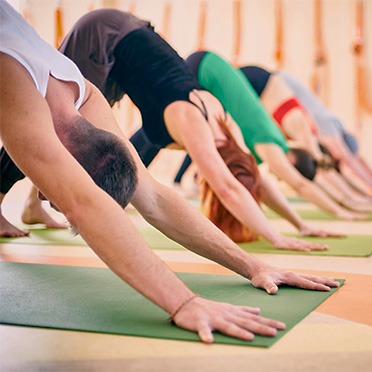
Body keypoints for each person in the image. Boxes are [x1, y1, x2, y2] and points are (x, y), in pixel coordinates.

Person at [0, 1, 340, 344]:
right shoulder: (13, 78)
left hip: (120, 37)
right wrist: (184, 303)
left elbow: (154, 197)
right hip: (107, 35)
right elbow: (83, 206)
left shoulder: (84, 92)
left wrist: (253, 266)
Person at [59, 8, 342, 250]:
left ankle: (36, 205)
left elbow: (254, 181)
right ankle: (41, 196)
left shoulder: (228, 132)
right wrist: (277, 238)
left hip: (128, 50)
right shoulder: (196, 123)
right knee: (65, 120)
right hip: (105, 32)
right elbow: (228, 187)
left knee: (86, 128)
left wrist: (301, 224)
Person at [184, 50, 368, 220]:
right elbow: (300, 184)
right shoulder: (280, 139)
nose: (279, 177)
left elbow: (315, 175)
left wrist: (351, 200)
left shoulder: (285, 143)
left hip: (221, 73)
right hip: (238, 75)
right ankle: (183, 180)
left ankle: (189, 178)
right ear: (290, 162)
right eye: (283, 173)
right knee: (194, 131)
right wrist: (342, 210)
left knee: (210, 132)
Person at [238, 65, 372, 212]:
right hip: (261, 81)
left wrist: (356, 198)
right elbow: (335, 164)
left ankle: (352, 199)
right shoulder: (311, 131)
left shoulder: (308, 133)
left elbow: (335, 167)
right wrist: (350, 201)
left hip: (267, 86)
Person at [278, 70, 372, 196]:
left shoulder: (332, 123)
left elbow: (353, 158)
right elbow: (348, 157)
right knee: (346, 158)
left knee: (341, 159)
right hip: (280, 82)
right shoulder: (327, 123)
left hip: (317, 117)